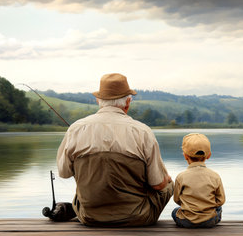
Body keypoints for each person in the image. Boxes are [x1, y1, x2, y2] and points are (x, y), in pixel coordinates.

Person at [54, 73, 173, 227]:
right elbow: (157, 185)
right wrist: (167, 179)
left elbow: (64, 173)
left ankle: (80, 210)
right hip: (138, 218)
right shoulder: (143, 132)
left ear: (98, 100)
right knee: (169, 183)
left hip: (89, 217)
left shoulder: (76, 129)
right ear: (128, 102)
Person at [172, 133, 226, 228]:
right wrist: (207, 205)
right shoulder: (215, 176)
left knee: (175, 211)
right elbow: (221, 200)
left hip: (187, 221)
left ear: (185, 156)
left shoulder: (181, 176)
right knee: (219, 208)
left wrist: (190, 205)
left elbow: (176, 199)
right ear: (209, 155)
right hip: (209, 221)